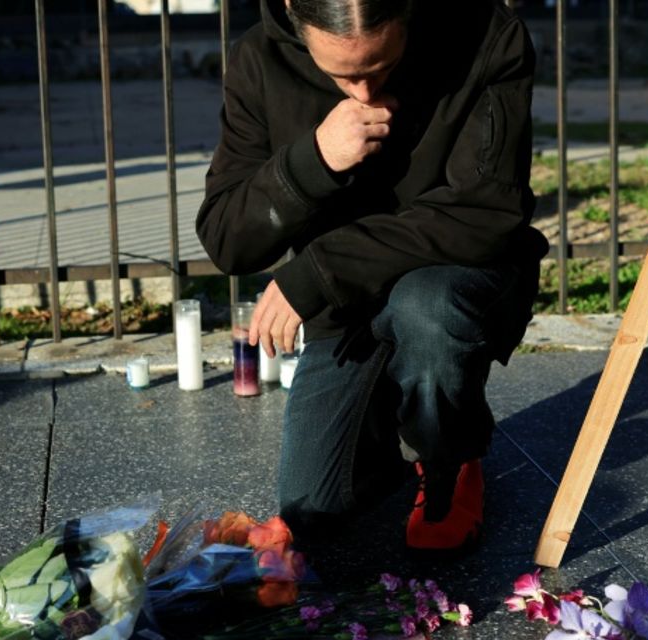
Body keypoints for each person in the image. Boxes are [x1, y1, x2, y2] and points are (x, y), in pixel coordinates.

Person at [196, 0, 547, 553]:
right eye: (341, 74)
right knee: (311, 510)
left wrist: (319, 269)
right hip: (347, 309)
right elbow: (227, 238)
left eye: (379, 66)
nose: (362, 93)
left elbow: (485, 213)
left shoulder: (486, 35)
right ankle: (406, 420)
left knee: (427, 309)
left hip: (452, 277)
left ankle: (446, 454)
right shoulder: (257, 60)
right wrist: (314, 159)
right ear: (293, 13)